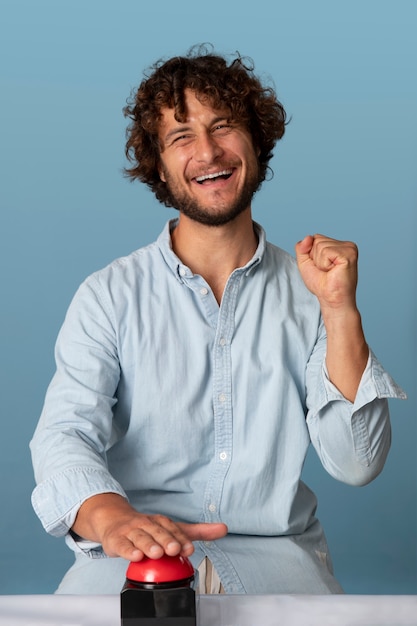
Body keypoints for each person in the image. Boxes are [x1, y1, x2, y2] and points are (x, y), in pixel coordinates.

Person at [30, 45, 405, 595]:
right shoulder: (108, 296)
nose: (207, 152)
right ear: (158, 164)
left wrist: (340, 310)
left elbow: (357, 464)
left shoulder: (315, 291)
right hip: (127, 560)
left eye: (223, 127)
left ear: (256, 141)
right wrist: (112, 518)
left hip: (279, 564)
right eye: (182, 137)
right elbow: (64, 434)